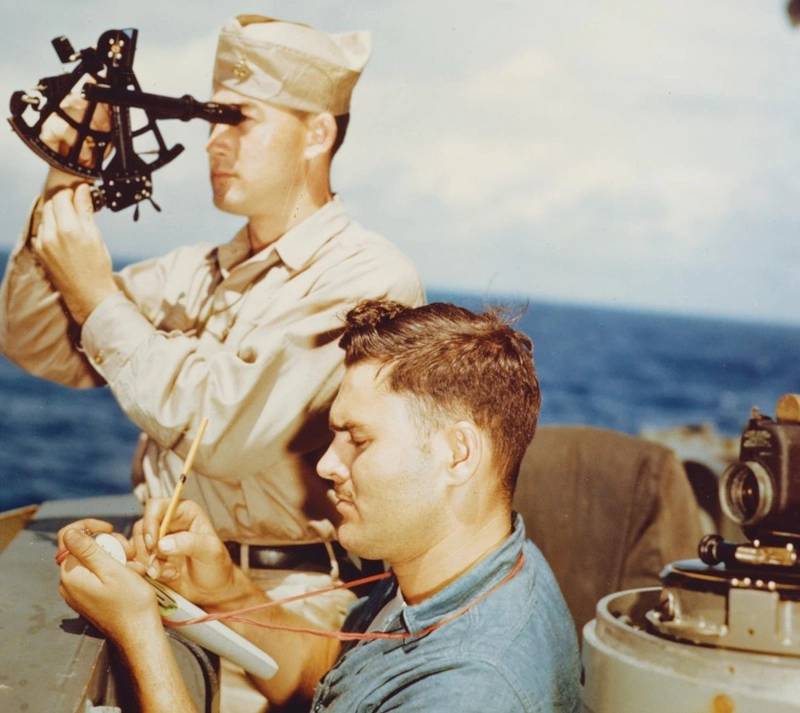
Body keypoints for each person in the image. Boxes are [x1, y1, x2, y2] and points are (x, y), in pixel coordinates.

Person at [0, 13, 423, 673]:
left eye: (240, 120)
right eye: (211, 123)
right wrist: (68, 170)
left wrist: (95, 296)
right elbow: (35, 342)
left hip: (286, 609)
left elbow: (224, 432)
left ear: (317, 131)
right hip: (166, 577)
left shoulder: (368, 279)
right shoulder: (199, 270)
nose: (212, 144)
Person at [58, 300, 581, 713]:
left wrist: (139, 632)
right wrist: (224, 594)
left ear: (457, 454)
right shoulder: (455, 572)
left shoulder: (471, 689)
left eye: (358, 439)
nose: (327, 465)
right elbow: (334, 678)